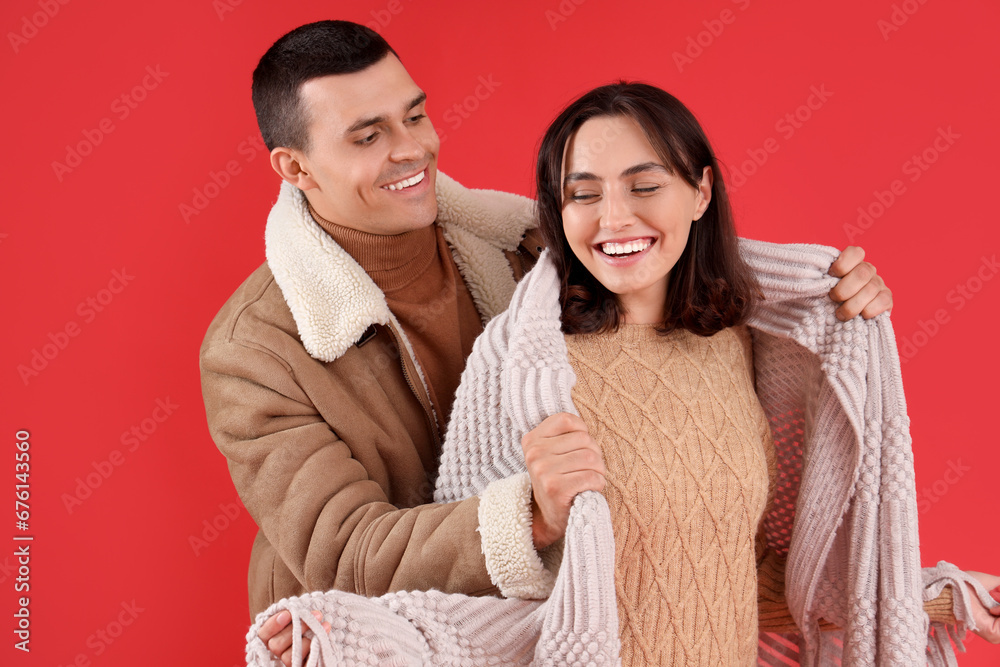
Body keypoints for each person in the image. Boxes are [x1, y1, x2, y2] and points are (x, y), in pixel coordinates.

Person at [199, 16, 891, 654]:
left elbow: (657, 257)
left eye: (415, 114)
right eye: (368, 135)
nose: (412, 148)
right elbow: (349, 551)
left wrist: (820, 292)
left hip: (548, 634)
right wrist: (528, 513)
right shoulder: (254, 349)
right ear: (295, 167)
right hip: (371, 645)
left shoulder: (528, 253)